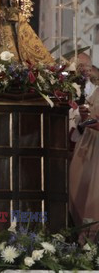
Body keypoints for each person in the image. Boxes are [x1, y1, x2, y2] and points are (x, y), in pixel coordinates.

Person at [69, 84, 99, 236]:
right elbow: (86, 121)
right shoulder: (97, 90)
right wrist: (85, 117)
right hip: (90, 147)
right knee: (82, 190)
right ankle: (86, 242)